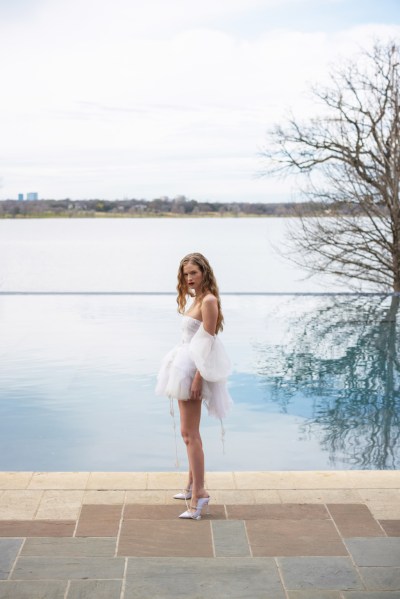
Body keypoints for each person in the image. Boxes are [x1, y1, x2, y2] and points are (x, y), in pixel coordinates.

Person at [156, 252, 232, 520]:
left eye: (194, 273)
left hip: (193, 370)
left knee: (190, 434)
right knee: (187, 432)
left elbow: (208, 343)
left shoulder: (209, 300)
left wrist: (199, 378)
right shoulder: (197, 298)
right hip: (184, 365)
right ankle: (190, 486)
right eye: (186, 274)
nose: (189, 278)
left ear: (204, 273)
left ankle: (200, 494)